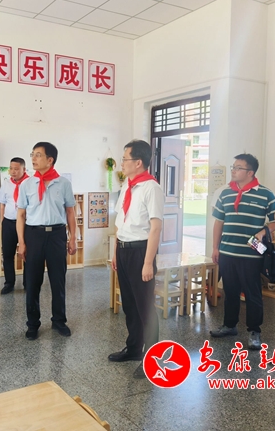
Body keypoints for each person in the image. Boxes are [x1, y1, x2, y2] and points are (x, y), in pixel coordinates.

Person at [209, 154, 275, 350]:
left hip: (252, 252)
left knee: (252, 292)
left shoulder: (266, 194)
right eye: (233, 167)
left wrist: (263, 232)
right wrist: (215, 248)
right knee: (230, 291)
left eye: (238, 167)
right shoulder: (225, 193)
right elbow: (219, 222)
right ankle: (229, 325)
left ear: (250, 172)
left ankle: (254, 331)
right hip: (228, 251)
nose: (233, 170)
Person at [108, 139, 163, 379]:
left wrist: (148, 262)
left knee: (145, 308)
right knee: (129, 304)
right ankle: (133, 349)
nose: (122, 163)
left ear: (138, 162)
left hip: (141, 251)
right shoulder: (128, 186)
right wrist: (115, 251)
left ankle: (153, 359)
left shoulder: (151, 188)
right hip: (123, 249)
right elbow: (120, 222)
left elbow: (155, 228)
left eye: (125, 159)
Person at [16, 142, 76, 341]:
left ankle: (59, 320)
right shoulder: (26, 184)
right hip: (34, 235)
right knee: (33, 281)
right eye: (32, 154)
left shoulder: (63, 183)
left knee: (58, 280)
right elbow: (21, 215)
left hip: (57, 235)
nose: (33, 158)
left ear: (50, 160)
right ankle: (33, 324)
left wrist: (73, 238)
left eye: (38, 155)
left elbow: (70, 212)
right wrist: (21, 242)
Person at [0, 157, 29, 295]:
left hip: (26, 224)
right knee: (8, 254)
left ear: (24, 169)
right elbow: (2, 204)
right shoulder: (6, 183)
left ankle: (28, 283)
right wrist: (2, 222)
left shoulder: (30, 183)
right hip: (9, 223)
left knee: (27, 254)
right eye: (11, 168)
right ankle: (9, 283)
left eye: (16, 169)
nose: (13, 171)